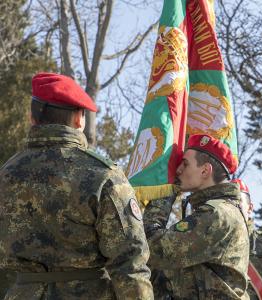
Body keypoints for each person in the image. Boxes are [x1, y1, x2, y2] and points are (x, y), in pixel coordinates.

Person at [0, 72, 153, 299]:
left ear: (33, 119)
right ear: (80, 119)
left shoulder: (6, 175)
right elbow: (129, 261)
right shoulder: (103, 175)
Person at [143, 134, 249, 299]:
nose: (178, 170)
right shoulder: (215, 210)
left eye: (185, 164)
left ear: (205, 170)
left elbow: (153, 247)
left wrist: (164, 191)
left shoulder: (216, 215)